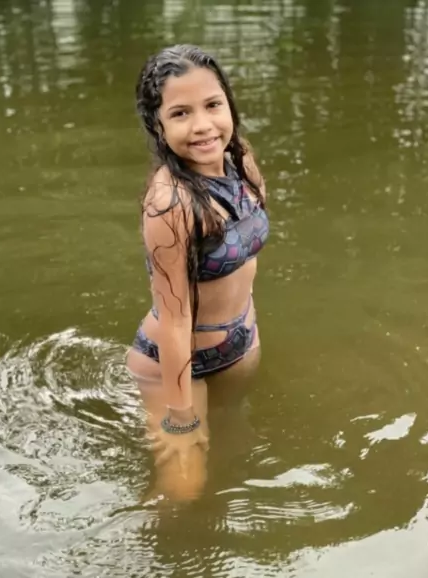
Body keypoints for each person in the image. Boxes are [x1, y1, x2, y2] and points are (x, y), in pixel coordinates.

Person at [126, 44, 269, 501]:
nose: (203, 125)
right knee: (183, 492)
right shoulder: (170, 203)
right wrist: (180, 418)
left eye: (212, 105)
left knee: (236, 454)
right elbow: (175, 319)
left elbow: (246, 253)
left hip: (240, 344)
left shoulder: (239, 158)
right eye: (181, 113)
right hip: (179, 366)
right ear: (158, 125)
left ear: (229, 104)